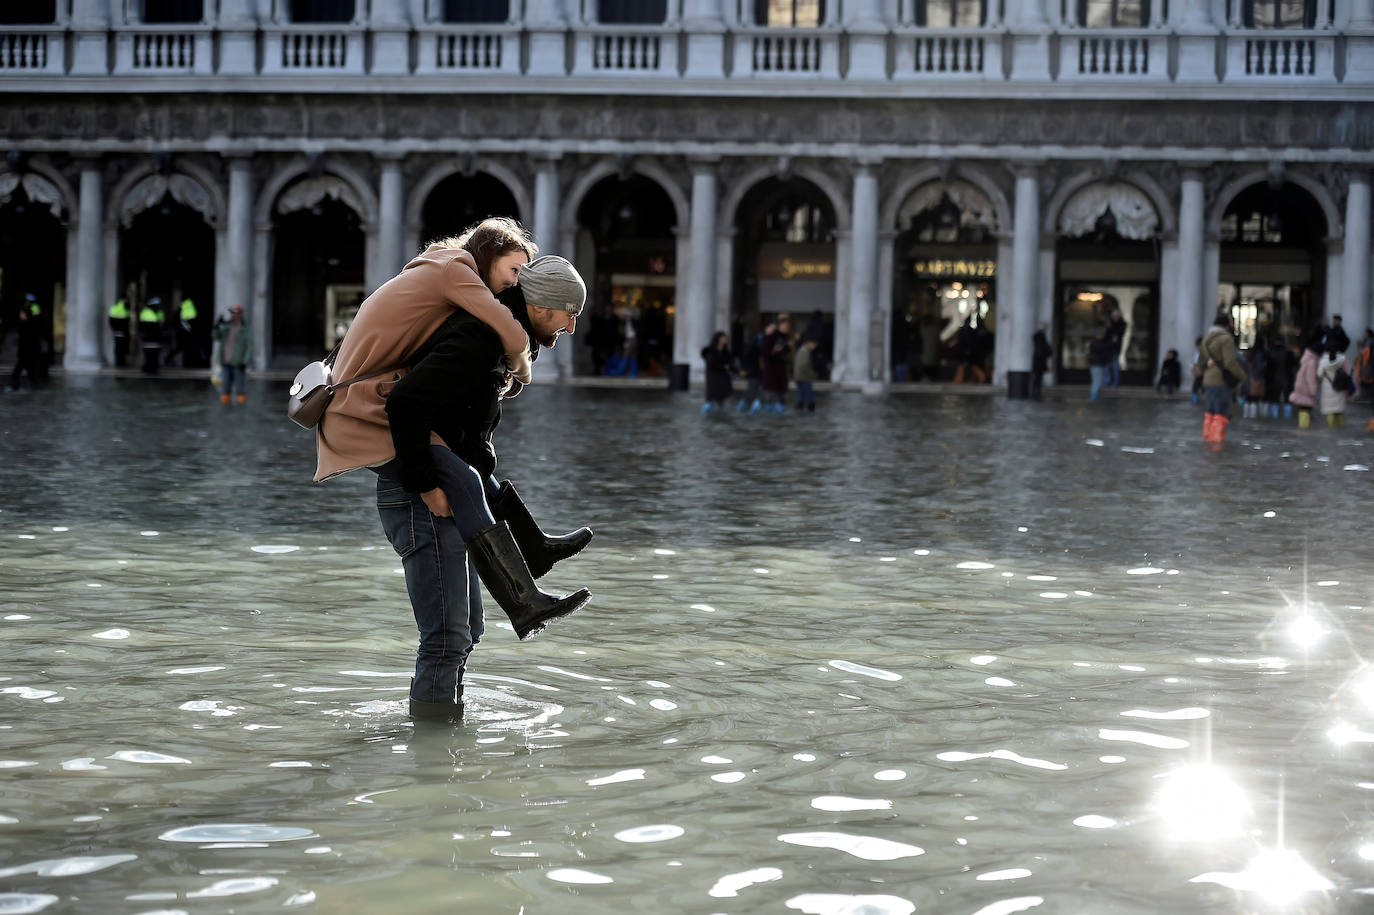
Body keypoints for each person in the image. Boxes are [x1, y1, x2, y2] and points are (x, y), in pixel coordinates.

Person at [313, 220, 590, 724]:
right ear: (543, 305)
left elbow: (461, 429)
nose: (570, 327)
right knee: (446, 637)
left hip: (437, 483)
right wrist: (425, 486)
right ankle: (432, 753)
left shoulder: (490, 336)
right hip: (419, 493)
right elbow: (408, 403)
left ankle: (446, 750)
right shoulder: (481, 331)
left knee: (468, 631)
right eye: (569, 315)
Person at [1199, 311, 1248, 448]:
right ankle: (1216, 443)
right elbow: (1230, 363)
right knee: (1221, 413)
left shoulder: (1206, 338)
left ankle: (1208, 439)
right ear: (1227, 324)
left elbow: (1200, 363)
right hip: (1221, 380)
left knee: (1210, 412)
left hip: (1208, 380)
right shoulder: (1226, 339)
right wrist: (1243, 376)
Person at [213, 304, 254, 405]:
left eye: (236, 313)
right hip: (226, 361)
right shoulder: (226, 326)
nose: (234, 315)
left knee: (240, 387)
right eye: (232, 313)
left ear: (240, 314)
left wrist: (245, 361)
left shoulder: (245, 328)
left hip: (238, 362)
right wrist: (216, 326)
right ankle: (225, 406)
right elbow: (216, 337)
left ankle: (241, 406)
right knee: (225, 387)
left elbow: (249, 345)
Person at [758, 314, 793, 413]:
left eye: (788, 326)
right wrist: (776, 350)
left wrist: (787, 348)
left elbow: (784, 353)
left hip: (781, 373)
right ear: (780, 325)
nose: (787, 328)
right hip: (772, 373)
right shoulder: (770, 336)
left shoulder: (785, 337)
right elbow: (765, 353)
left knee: (781, 397)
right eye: (785, 325)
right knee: (771, 397)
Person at [7, 304, 43, 391]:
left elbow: (30, 341)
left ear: (26, 314)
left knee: (19, 372)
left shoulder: (29, 325)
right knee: (30, 373)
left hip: (27, 354)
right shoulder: (24, 324)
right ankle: (33, 386)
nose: (20, 315)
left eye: (22, 313)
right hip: (27, 354)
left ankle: (16, 387)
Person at [700, 330, 736, 414]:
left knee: (721, 397)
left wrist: (737, 371)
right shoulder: (710, 350)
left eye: (725, 338)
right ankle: (705, 413)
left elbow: (729, 363)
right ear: (718, 339)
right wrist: (723, 366)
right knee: (712, 397)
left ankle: (720, 413)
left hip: (722, 377)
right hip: (713, 376)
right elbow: (711, 364)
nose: (725, 339)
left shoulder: (725, 350)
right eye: (723, 338)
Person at [1289, 344, 1320, 429]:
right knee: (1305, 410)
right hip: (1306, 390)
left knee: (1302, 409)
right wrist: (1313, 391)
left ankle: (1302, 428)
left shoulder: (1305, 358)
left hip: (1300, 388)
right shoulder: (1312, 361)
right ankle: (1304, 429)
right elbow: (1310, 378)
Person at [1318, 347, 1350, 428]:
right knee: (1340, 410)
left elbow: (1319, 374)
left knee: (1330, 411)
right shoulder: (1342, 360)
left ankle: (1331, 428)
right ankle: (1341, 428)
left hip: (1328, 388)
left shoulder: (1323, 361)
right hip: (1340, 387)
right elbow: (1347, 373)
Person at [737, 323, 766, 413]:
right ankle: (747, 406)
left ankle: (750, 406)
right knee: (753, 389)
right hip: (753, 372)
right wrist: (744, 370)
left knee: (757, 389)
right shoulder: (753, 350)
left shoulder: (755, 348)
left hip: (756, 372)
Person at [138, 296, 165, 374]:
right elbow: (142, 326)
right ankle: (149, 367)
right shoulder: (147, 313)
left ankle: (152, 367)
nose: (158, 307)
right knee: (149, 354)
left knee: (154, 354)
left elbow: (161, 326)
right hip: (149, 338)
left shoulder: (159, 313)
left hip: (154, 338)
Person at [1087, 324, 1114, 401]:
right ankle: (1093, 397)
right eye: (1102, 334)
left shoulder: (1096, 342)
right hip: (1096, 365)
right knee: (1096, 382)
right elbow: (1103, 350)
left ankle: (1096, 397)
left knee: (1098, 382)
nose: (1103, 336)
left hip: (1097, 365)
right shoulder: (1096, 343)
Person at [793, 337, 818, 412]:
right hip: (804, 377)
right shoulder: (805, 351)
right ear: (810, 343)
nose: (814, 347)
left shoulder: (802, 350)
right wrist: (812, 375)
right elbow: (804, 365)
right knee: (809, 394)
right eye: (814, 345)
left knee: (801, 394)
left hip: (799, 376)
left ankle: (800, 407)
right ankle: (810, 407)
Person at [1031, 324, 1053, 399]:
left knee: (1037, 378)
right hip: (1039, 362)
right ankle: (1036, 392)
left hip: (1038, 362)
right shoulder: (1041, 337)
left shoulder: (1038, 338)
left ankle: (1035, 392)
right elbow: (1044, 350)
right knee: (1038, 378)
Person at [108, 297, 131, 368]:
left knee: (119, 348)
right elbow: (126, 322)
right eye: (126, 299)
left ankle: (120, 363)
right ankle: (120, 363)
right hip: (122, 331)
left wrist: (115, 329)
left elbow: (111, 321)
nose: (127, 301)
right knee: (121, 348)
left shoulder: (115, 308)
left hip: (118, 332)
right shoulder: (124, 309)